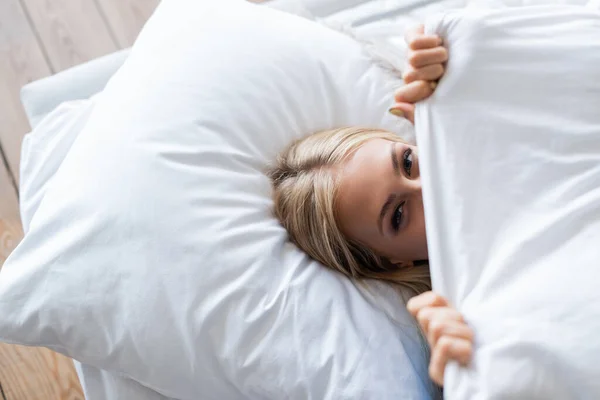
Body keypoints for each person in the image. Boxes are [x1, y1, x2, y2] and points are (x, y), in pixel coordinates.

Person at [268, 25, 473, 387]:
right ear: (393, 261)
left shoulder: (479, 121)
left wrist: (470, 70)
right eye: (398, 215)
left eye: (408, 162)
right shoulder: (458, 317)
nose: (428, 187)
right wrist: (468, 377)